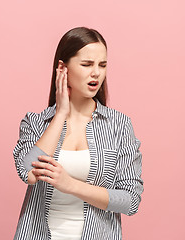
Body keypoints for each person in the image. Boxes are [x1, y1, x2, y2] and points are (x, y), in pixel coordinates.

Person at [12, 26, 144, 240]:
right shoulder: (36, 122)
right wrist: (61, 113)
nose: (96, 73)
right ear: (62, 68)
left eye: (102, 65)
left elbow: (130, 201)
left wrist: (71, 185)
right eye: (86, 64)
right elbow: (27, 173)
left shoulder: (119, 125)